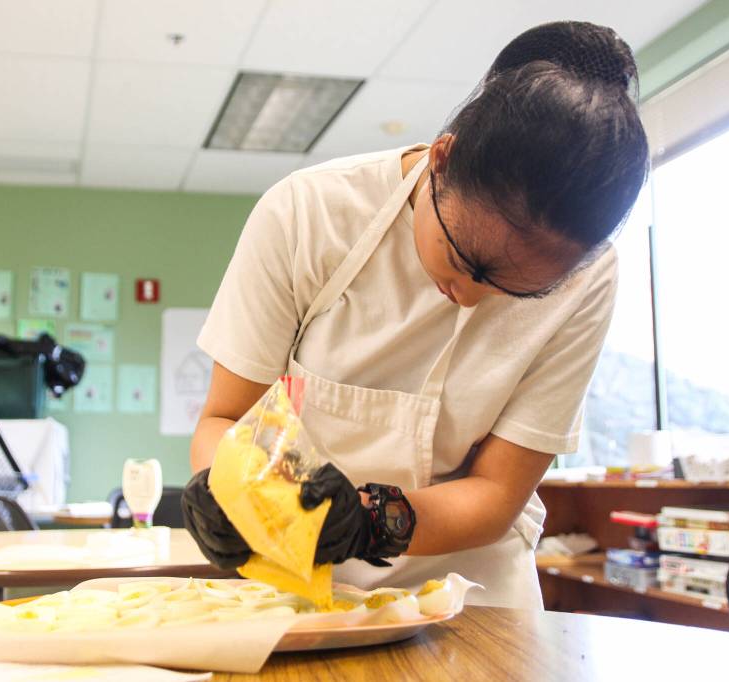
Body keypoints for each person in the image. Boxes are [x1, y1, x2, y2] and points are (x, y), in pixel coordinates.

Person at [181, 21, 649, 609]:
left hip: (476, 596)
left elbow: (496, 491)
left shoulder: (590, 276)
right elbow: (227, 418)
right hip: (297, 584)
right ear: (441, 160)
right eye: (464, 260)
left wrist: (368, 523)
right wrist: (222, 489)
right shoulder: (308, 214)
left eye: (519, 291)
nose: (472, 297)